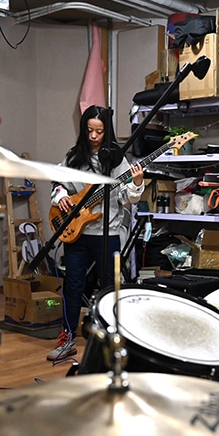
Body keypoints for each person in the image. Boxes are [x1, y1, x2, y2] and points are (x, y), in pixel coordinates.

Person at [48, 105, 144, 363]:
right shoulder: (73, 156)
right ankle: (67, 338)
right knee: (72, 286)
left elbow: (127, 200)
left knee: (109, 288)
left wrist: (136, 184)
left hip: (107, 232)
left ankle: (110, 340)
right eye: (89, 130)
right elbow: (57, 182)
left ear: (107, 131)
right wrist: (62, 196)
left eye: (99, 131)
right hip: (76, 232)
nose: (93, 136)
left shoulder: (117, 160)